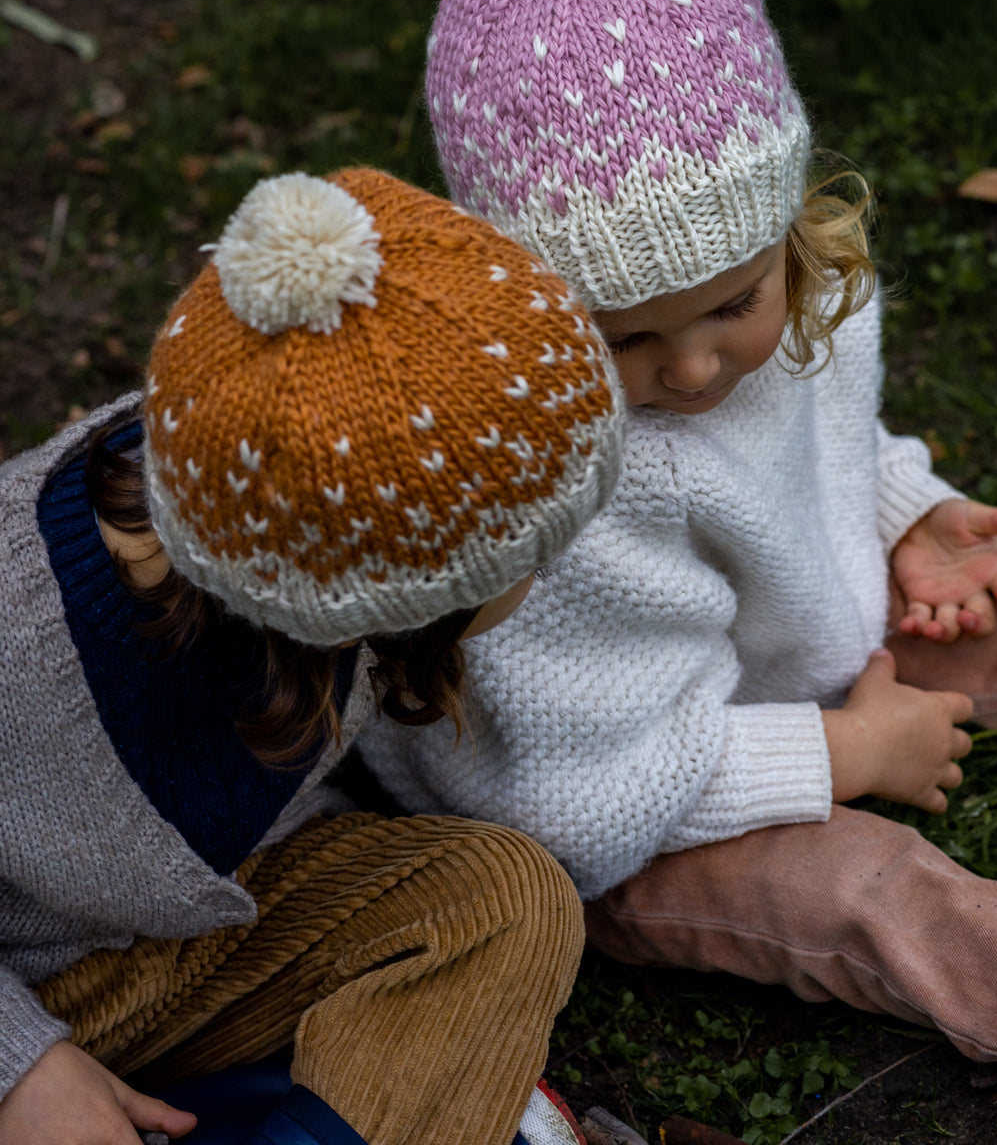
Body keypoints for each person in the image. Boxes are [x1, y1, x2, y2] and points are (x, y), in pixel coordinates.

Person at [357, 0, 997, 1068]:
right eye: (625, 338)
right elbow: (574, 795)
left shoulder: (804, 295)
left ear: (783, 232)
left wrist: (901, 514)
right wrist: (842, 754)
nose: (696, 369)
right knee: (872, 884)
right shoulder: (549, 485)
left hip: (760, 665)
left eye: (732, 305)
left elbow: (828, 442)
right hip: (622, 801)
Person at [0, 164, 624, 1145]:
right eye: (534, 553)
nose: (549, 567)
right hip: (37, 996)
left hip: (208, 948)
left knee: (507, 899)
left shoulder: (300, 530)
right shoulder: (21, 635)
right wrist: (21, 1070)